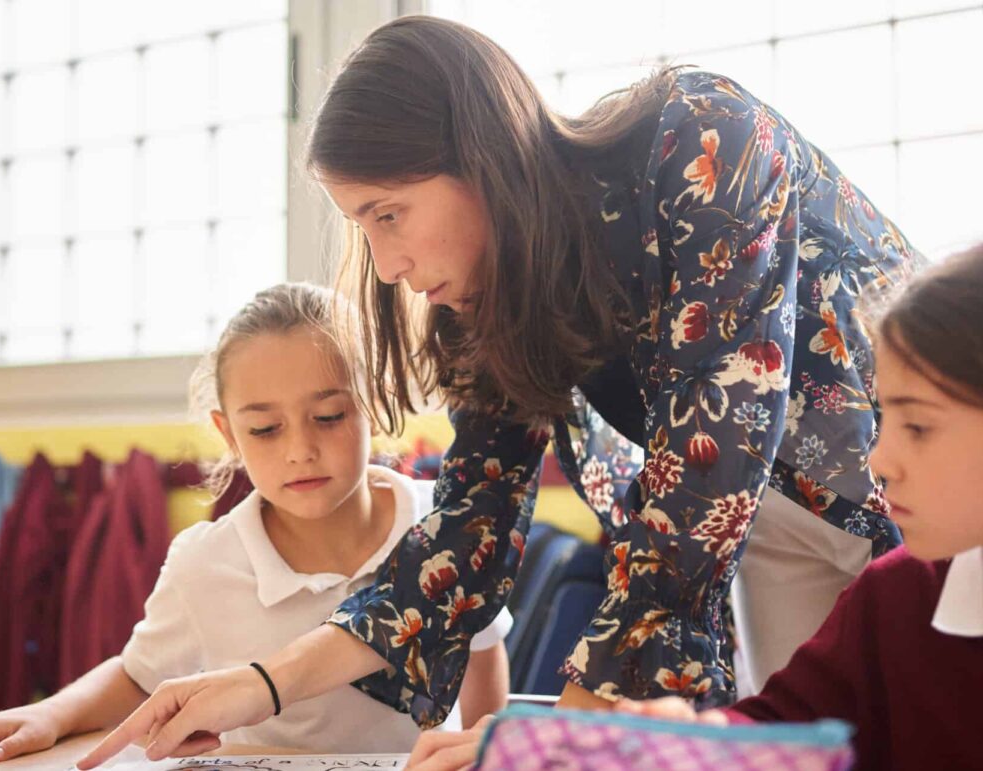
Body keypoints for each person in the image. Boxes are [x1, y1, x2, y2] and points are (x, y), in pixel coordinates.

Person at [76, 15, 923, 767]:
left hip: (926, 477)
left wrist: (553, 735)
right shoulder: (490, 299)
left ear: (473, 157)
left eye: (389, 214)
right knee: (826, 747)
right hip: (767, 525)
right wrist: (262, 682)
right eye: (361, 227)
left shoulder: (702, 137)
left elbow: (712, 457)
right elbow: (466, 532)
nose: (385, 265)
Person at [404, 244, 983, 771]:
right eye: (888, 419)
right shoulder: (894, 598)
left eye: (920, 426)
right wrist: (669, 741)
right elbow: (779, 727)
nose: (881, 462)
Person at [0, 283, 510, 763]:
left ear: (371, 403)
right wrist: (51, 715)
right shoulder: (206, 561)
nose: (301, 450)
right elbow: (137, 676)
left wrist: (487, 751)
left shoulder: (446, 523)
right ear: (228, 435)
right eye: (266, 429)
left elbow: (484, 650)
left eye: (328, 417)